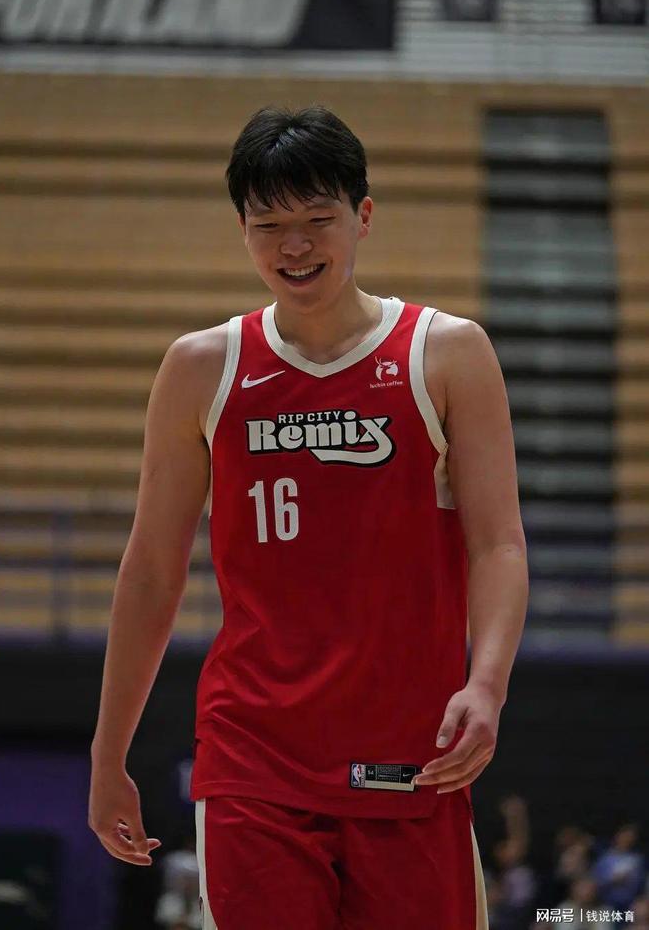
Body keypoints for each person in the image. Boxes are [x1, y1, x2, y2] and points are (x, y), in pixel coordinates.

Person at [89, 105, 528, 929]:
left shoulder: (446, 353)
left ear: (363, 216)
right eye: (269, 226)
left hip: (411, 756)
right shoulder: (201, 369)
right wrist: (108, 753)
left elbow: (498, 543)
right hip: (255, 760)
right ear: (243, 232)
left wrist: (488, 682)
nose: (294, 246)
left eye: (318, 220)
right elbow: (150, 570)